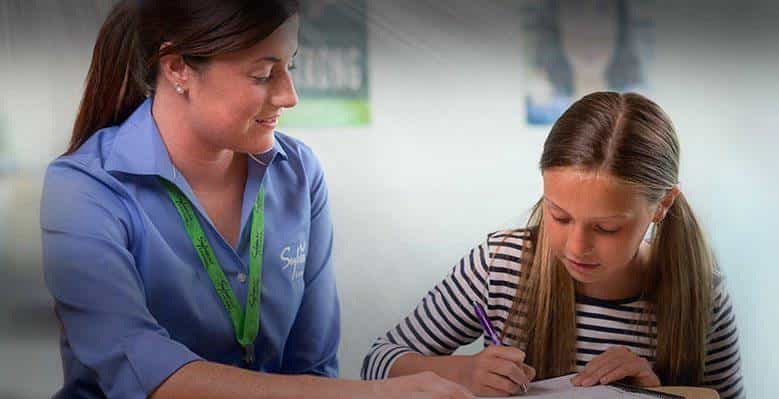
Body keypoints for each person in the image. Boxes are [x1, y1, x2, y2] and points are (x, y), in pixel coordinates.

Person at [40, 1, 472, 398]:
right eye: (264, 74)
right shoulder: (83, 189)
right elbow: (142, 370)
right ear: (177, 69)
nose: (289, 95)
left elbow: (313, 365)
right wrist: (371, 394)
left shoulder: (298, 173)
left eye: (291, 67)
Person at [362, 92, 744, 399]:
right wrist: (463, 371)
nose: (577, 247)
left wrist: (659, 395)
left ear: (662, 205)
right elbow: (376, 362)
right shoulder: (500, 266)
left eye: (607, 228)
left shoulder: (702, 293)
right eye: (559, 216)